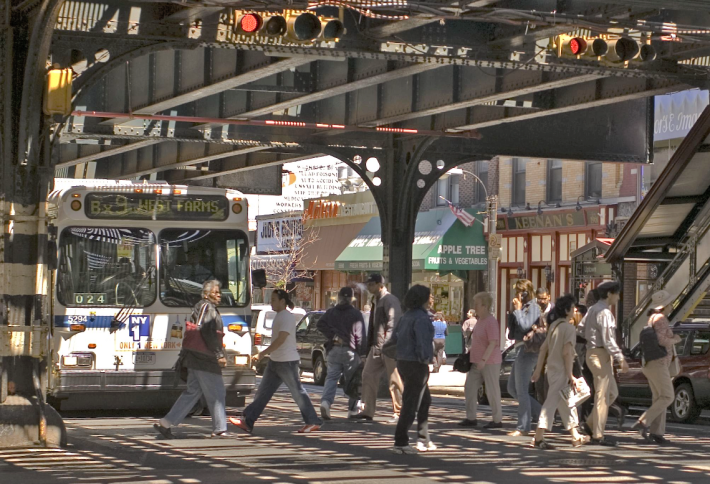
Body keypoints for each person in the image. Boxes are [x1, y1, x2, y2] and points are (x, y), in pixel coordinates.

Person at [230, 289, 322, 434]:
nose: (271, 302)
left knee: (298, 392)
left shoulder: (286, 317)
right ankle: (248, 421)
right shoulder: (280, 316)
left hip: (287, 361)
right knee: (263, 393)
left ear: (282, 301)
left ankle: (313, 421)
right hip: (276, 361)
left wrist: (262, 354)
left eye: (273, 300)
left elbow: (281, 339)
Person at [154, 280, 229, 439]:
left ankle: (166, 423)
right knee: (217, 392)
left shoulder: (205, 306)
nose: (219, 295)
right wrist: (219, 354)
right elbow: (203, 331)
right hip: (205, 359)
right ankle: (220, 429)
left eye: (219, 292)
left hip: (195, 357)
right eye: (216, 292)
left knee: (192, 392)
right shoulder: (207, 307)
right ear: (206, 294)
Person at [531, 295, 590, 449]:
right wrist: (571, 375)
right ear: (566, 310)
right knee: (551, 404)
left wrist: (538, 370)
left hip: (551, 369)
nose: (575, 309)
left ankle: (575, 436)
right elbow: (567, 353)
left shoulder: (555, 326)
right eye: (573, 307)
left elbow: (544, 348)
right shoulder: (569, 328)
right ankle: (538, 437)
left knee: (566, 403)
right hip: (562, 370)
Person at [580, 281, 629, 446]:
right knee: (602, 395)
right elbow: (608, 340)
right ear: (609, 294)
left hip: (591, 353)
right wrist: (620, 358)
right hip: (601, 354)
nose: (618, 297)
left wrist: (590, 336)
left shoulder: (592, 309)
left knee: (611, 393)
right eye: (616, 293)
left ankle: (590, 424)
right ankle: (598, 434)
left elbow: (580, 328)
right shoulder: (605, 313)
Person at [389, 285, 435, 454]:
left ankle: (423, 438)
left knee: (424, 400)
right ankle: (401, 441)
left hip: (403, 360)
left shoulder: (406, 316)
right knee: (411, 402)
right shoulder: (422, 318)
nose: (431, 299)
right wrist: (426, 358)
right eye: (429, 296)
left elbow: (394, 339)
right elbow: (422, 343)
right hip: (416, 362)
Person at [631, 290, 681, 445]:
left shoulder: (651, 318)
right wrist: (675, 339)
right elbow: (661, 340)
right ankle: (643, 422)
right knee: (668, 396)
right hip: (658, 363)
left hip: (651, 363)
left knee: (659, 398)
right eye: (670, 303)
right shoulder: (661, 318)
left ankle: (657, 433)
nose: (672, 306)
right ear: (664, 305)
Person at [353, 274, 403, 423]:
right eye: (368, 285)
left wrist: (387, 344)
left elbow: (393, 323)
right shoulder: (377, 300)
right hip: (378, 347)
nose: (369, 287)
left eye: (371, 284)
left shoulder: (389, 300)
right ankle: (368, 411)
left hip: (387, 347)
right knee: (368, 375)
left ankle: (400, 412)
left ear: (379, 285)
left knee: (395, 380)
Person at [317, 287, 367, 420]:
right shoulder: (356, 314)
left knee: (331, 377)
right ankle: (352, 409)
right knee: (352, 380)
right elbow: (360, 336)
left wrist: (332, 336)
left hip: (334, 349)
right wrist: (362, 354)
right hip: (350, 351)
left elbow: (320, 324)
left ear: (339, 297)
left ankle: (326, 403)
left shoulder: (331, 312)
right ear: (351, 299)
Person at [459, 292, 503, 429]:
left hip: (489, 362)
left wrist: (484, 359)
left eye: (477, 304)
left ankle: (497, 420)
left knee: (492, 390)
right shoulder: (480, 321)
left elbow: (493, 342)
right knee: (469, 388)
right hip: (476, 361)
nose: (474, 307)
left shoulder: (490, 321)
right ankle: (471, 417)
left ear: (484, 305)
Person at [507, 279, 541, 436]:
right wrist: (512, 311)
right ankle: (542, 414)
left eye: (519, 292)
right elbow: (513, 332)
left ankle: (523, 426)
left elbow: (526, 325)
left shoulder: (534, 307)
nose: (517, 295)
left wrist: (519, 310)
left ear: (526, 292)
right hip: (519, 347)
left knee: (521, 390)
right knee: (512, 388)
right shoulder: (522, 307)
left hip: (529, 351)